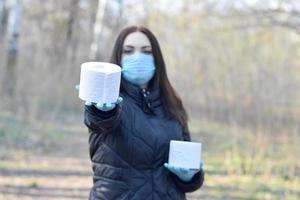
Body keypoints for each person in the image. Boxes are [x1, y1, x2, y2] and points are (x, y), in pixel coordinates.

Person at [83, 26, 205, 200]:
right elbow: (99, 121)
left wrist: (189, 176)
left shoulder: (172, 104)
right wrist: (102, 111)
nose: (138, 57)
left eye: (146, 52)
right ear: (118, 58)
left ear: (157, 59)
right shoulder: (109, 100)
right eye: (128, 51)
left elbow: (186, 167)